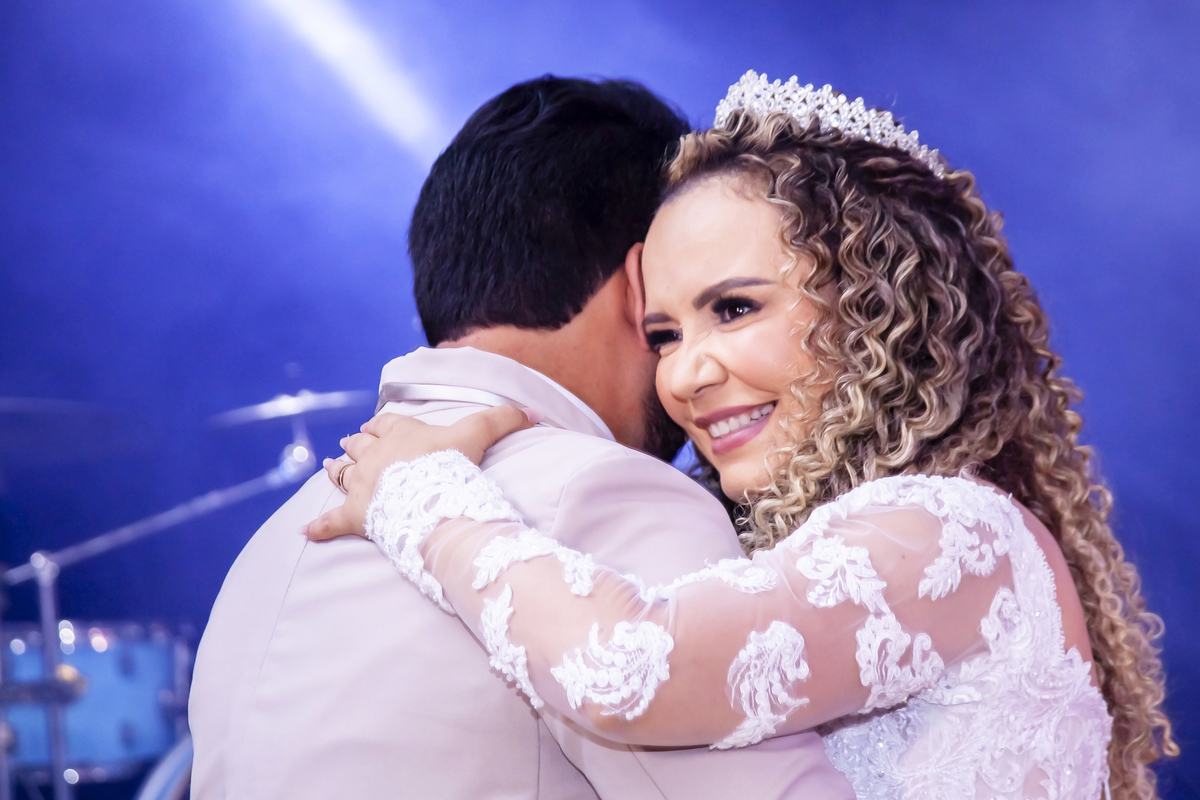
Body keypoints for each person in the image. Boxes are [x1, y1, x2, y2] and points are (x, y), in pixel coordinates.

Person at [310, 73, 1177, 799]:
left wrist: (424, 497)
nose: (686, 375)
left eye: (734, 308)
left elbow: (625, 671)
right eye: (664, 336)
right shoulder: (877, 539)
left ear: (874, 308)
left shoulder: (949, 530)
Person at [188, 75, 853, 799]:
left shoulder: (267, 548)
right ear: (644, 284)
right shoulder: (611, 497)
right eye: (690, 306)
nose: (690, 373)